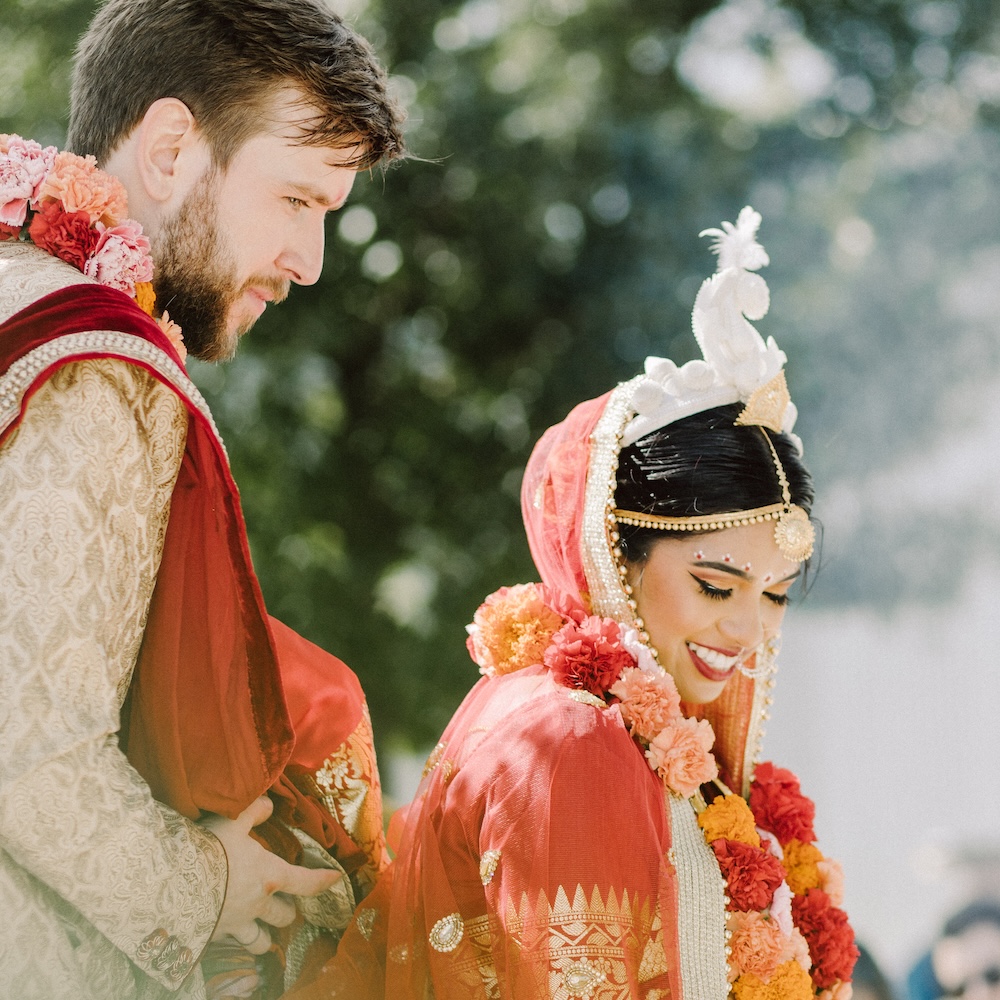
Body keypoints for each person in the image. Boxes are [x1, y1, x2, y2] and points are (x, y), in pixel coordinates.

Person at [286, 208, 859, 1000]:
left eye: (775, 598)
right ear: (610, 556)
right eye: (715, 585)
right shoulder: (569, 740)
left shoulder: (639, 743)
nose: (746, 628)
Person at [0, 2, 404, 998]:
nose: (309, 262)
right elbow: (30, 755)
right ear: (174, 146)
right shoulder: (94, 363)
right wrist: (213, 888)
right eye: (296, 201)